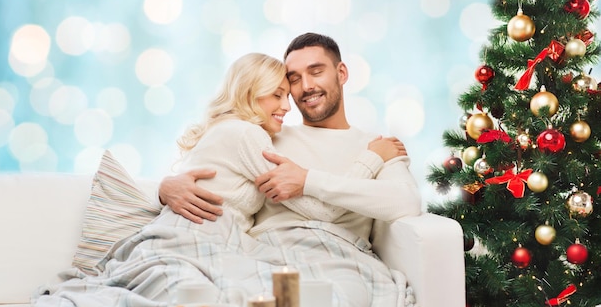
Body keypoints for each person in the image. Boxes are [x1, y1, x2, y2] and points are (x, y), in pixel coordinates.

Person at [159, 33, 422, 243]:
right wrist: (164, 190)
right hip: (262, 254)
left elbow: (407, 202)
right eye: (294, 79)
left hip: (339, 254)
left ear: (341, 73)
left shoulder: (377, 146)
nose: (306, 86)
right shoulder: (265, 135)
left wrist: (310, 179)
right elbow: (213, 172)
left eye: (316, 71)